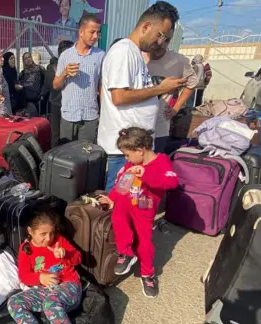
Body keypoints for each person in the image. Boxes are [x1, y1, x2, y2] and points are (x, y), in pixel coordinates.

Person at [97, 1, 184, 192]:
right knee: (119, 200)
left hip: (134, 149)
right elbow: (119, 96)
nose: (160, 42)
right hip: (123, 152)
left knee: (132, 200)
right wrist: (160, 89)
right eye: (160, 35)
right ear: (146, 27)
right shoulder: (123, 51)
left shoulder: (135, 53)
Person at [98, 128, 178, 298]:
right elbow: (122, 185)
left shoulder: (161, 162)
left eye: (127, 154)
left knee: (144, 243)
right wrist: (111, 198)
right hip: (127, 203)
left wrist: (146, 174)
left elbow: (171, 182)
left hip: (144, 208)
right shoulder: (131, 165)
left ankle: (147, 274)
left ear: (140, 150)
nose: (126, 159)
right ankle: (125, 252)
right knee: (118, 215)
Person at [7, 210, 87, 324]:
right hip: (47, 289)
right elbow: (24, 276)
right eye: (43, 234)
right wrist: (40, 278)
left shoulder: (59, 241)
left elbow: (78, 258)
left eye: (51, 233)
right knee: (14, 302)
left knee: (51, 304)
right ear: (30, 231)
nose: (48, 238)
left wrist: (66, 254)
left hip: (69, 286)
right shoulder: (26, 248)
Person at [53, 14, 105, 144]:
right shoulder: (66, 55)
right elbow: (55, 85)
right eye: (92, 32)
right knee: (67, 157)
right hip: (69, 115)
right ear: (81, 32)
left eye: (98, 33)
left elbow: (102, 86)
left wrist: (104, 113)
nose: (95, 36)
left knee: (87, 156)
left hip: (90, 117)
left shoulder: (100, 55)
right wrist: (65, 73)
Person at [146, 33, 199, 153]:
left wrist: (176, 108)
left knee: (155, 166)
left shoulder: (178, 61)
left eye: (166, 40)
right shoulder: (137, 57)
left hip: (160, 128)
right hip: (135, 127)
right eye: (157, 40)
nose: (161, 44)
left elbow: (192, 84)